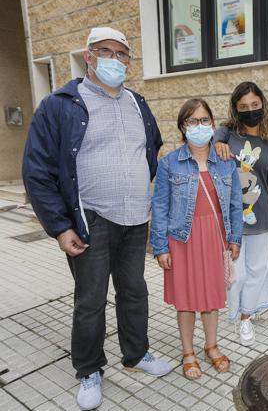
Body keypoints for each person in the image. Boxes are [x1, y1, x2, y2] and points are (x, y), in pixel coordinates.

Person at [22, 27, 171, 411]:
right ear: (88, 57)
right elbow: (37, 170)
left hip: (136, 217)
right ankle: (89, 369)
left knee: (135, 291)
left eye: (122, 54)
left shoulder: (138, 103)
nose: (115, 60)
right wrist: (59, 225)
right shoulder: (60, 104)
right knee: (90, 300)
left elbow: (150, 148)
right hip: (91, 220)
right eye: (106, 52)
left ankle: (136, 354)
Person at [150, 99, 243, 379]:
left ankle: (212, 346)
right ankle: (188, 351)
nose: (199, 126)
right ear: (182, 127)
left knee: (212, 298)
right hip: (182, 239)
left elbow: (235, 203)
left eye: (204, 120)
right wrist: (160, 247)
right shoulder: (169, 163)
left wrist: (234, 237)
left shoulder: (226, 161)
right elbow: (159, 206)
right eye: (192, 121)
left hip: (214, 238)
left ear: (213, 125)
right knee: (187, 299)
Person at [213, 82, 268, 345]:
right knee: (235, 273)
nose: (250, 110)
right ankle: (232, 310)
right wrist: (217, 142)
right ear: (235, 109)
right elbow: (212, 141)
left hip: (261, 215)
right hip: (232, 218)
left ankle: (246, 317)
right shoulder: (226, 133)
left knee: (258, 270)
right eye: (243, 107)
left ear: (262, 104)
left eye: (254, 105)